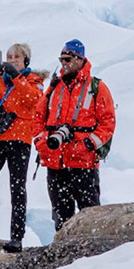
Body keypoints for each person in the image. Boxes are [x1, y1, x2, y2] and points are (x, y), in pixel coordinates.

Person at [0, 44, 44, 252]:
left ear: (26, 60)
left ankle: (16, 238)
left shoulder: (33, 81)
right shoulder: (2, 80)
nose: (13, 60)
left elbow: (33, 100)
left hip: (20, 140)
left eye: (17, 57)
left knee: (17, 189)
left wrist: (16, 77)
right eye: (10, 57)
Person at [38, 39, 115, 229]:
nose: (64, 63)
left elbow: (107, 122)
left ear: (80, 60)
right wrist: (41, 142)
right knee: (61, 218)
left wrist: (88, 145)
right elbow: (38, 118)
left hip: (83, 162)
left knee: (90, 215)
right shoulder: (54, 88)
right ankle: (64, 255)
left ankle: (94, 256)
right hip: (56, 161)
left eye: (68, 58)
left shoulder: (95, 87)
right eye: (61, 59)